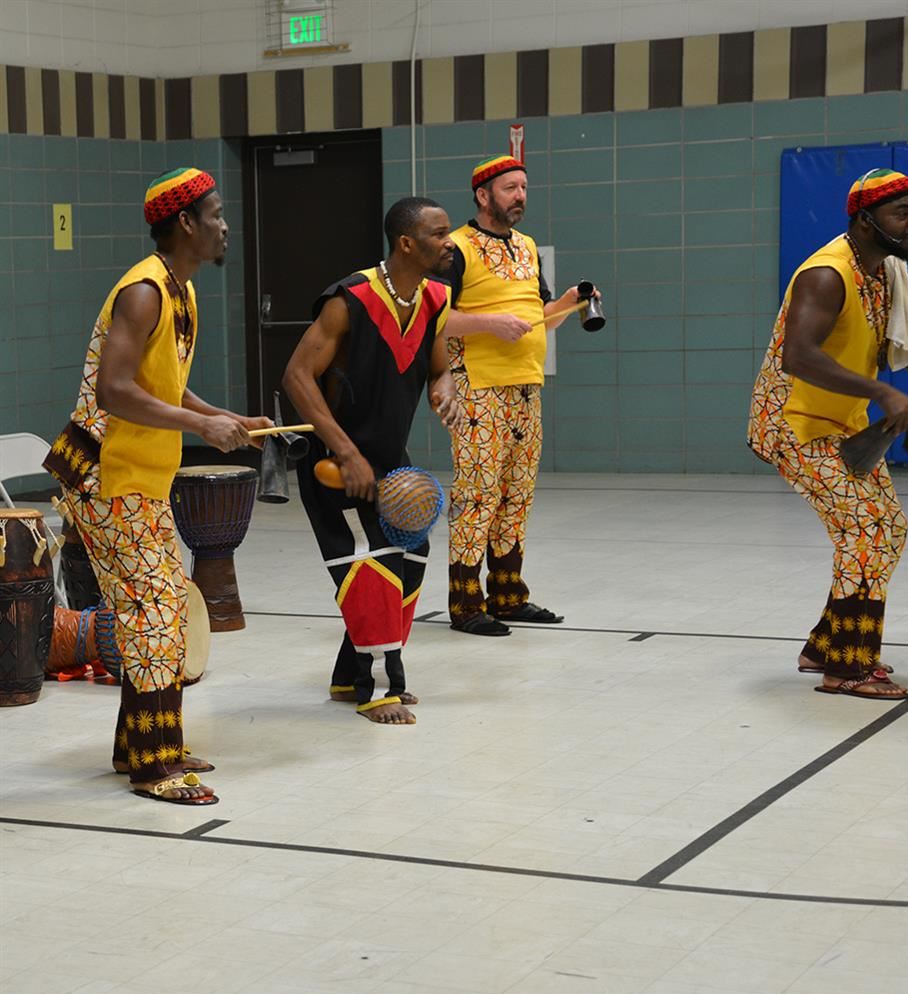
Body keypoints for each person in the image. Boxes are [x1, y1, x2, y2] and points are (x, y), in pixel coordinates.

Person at [43, 167, 270, 803]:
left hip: (135, 479)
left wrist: (224, 418)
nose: (226, 225)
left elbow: (161, 385)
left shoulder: (181, 292)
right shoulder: (144, 291)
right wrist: (202, 423)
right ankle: (153, 764)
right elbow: (116, 390)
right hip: (102, 477)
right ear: (185, 224)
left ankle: (139, 746)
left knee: (157, 610)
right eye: (217, 214)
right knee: (156, 613)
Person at [747, 168, 908, 699]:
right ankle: (848, 666)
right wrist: (882, 393)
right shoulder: (826, 273)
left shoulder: (884, 269)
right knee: (867, 531)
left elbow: (886, 335)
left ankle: (823, 645)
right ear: (864, 220)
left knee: (889, 528)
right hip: (794, 424)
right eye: (901, 214)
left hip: (843, 424)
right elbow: (799, 354)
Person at [282, 196, 460, 725]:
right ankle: (376, 687)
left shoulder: (435, 299)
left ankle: (347, 671)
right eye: (440, 232)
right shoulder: (349, 298)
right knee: (370, 561)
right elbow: (296, 377)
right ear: (407, 243)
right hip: (333, 458)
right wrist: (346, 450)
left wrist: (443, 384)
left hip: (387, 459)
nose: (450, 241)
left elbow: (437, 364)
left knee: (413, 551)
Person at [443, 155, 598, 636]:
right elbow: (431, 319)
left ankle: (508, 595)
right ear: (483, 195)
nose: (521, 196)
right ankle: (466, 604)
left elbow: (540, 317)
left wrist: (568, 303)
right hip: (477, 385)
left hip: (527, 386)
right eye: (510, 188)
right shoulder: (455, 249)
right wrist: (489, 323)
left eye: (524, 187)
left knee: (517, 495)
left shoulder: (528, 247)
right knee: (478, 494)